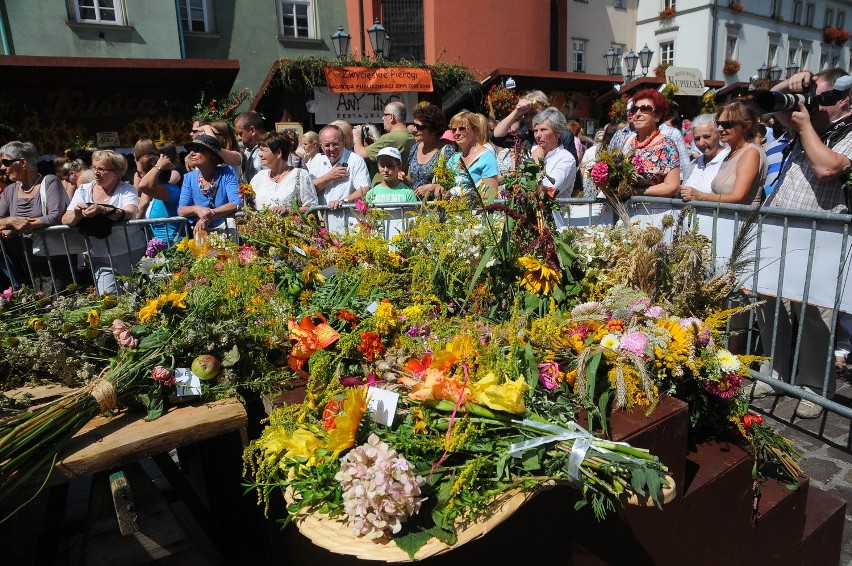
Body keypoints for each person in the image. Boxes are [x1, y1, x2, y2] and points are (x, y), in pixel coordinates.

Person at [755, 67, 852, 418]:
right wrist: (789, 85)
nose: (810, 105)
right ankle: (774, 374)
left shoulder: (845, 131)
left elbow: (829, 168)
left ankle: (813, 386)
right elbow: (763, 105)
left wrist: (805, 124)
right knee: (769, 305)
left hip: (820, 237)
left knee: (815, 314)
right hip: (779, 229)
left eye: (818, 98)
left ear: (843, 98)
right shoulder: (808, 122)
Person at [62, 150, 146, 295]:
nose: (96, 172)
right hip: (99, 256)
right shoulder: (83, 190)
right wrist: (77, 215)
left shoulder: (127, 189)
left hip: (130, 254)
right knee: (109, 300)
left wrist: (102, 210)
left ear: (117, 172)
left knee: (135, 298)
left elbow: (130, 212)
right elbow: (65, 219)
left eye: (101, 169)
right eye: (93, 167)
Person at [0, 141, 76, 294]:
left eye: (6, 162)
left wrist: (17, 227)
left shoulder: (49, 182)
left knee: (58, 307)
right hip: (25, 264)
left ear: (23, 162)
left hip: (54, 260)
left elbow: (55, 217)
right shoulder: (10, 191)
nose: (2, 167)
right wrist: (11, 221)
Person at [308, 125, 370, 233]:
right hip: (322, 224)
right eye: (327, 145)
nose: (331, 149)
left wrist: (343, 201)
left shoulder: (355, 160)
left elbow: (364, 189)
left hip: (348, 223)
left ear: (343, 142)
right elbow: (308, 190)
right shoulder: (316, 161)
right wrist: (329, 177)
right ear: (321, 146)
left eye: (335, 144)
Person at [177, 134, 241, 236]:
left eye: (198, 149)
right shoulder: (189, 177)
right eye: (191, 150)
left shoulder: (227, 172)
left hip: (226, 229)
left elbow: (236, 202)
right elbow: (181, 210)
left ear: (212, 154)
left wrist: (207, 216)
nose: (192, 153)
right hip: (201, 231)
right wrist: (196, 209)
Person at [626, 89, 680, 196]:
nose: (637, 114)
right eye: (634, 109)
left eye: (645, 109)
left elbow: (672, 186)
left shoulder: (666, 145)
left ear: (657, 116)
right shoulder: (629, 142)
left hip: (654, 209)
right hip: (627, 208)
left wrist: (636, 192)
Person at [250, 131, 317, 214]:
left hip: (292, 226)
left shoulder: (300, 175)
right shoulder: (259, 177)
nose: (260, 154)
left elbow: (312, 208)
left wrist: (289, 211)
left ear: (278, 153)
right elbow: (250, 206)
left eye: (263, 150)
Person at [353, 101, 416, 185]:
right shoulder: (411, 137)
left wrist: (357, 137)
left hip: (384, 188)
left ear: (392, 117)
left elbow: (360, 154)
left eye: (384, 115)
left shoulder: (389, 138)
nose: (382, 118)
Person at [135, 140, 183, 244]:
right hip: (161, 248)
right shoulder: (156, 192)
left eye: (142, 174)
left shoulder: (171, 190)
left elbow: (143, 186)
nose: (140, 177)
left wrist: (158, 166)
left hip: (174, 248)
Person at [447, 110, 499, 200]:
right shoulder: (453, 159)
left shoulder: (486, 157)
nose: (457, 133)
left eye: (462, 128)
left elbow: (492, 195)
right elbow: (444, 188)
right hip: (452, 211)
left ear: (475, 130)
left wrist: (468, 197)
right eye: (454, 130)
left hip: (477, 212)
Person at [407, 104, 455, 201]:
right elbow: (411, 179)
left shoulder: (446, 150)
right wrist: (403, 178)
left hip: (436, 207)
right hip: (415, 207)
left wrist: (431, 188)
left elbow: (452, 184)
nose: (414, 129)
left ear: (433, 130)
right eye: (414, 125)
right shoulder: (414, 148)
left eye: (419, 126)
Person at [679, 114, 731, 197]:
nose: (701, 143)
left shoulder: (729, 160)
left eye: (707, 137)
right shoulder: (694, 164)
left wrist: (700, 196)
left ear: (718, 134)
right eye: (697, 138)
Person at [530, 107, 577, 198]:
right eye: (536, 131)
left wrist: (538, 163)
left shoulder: (566, 158)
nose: (538, 135)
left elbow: (547, 192)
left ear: (558, 133)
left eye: (543, 130)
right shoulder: (532, 152)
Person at [235, 111, 267, 180]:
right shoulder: (247, 149)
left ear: (252, 130)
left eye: (240, 133)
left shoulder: (271, 148)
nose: (239, 138)